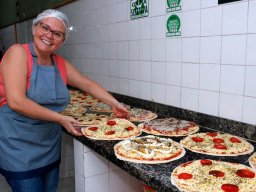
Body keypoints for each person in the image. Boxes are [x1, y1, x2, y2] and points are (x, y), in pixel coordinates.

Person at [0, 9, 129, 192]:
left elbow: (86, 84)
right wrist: (61, 119)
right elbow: (17, 102)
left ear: (62, 41)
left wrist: (115, 104)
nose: (49, 35)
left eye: (57, 34)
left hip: (48, 145)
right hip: (18, 145)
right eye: (45, 28)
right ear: (35, 28)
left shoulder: (59, 63)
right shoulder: (18, 54)